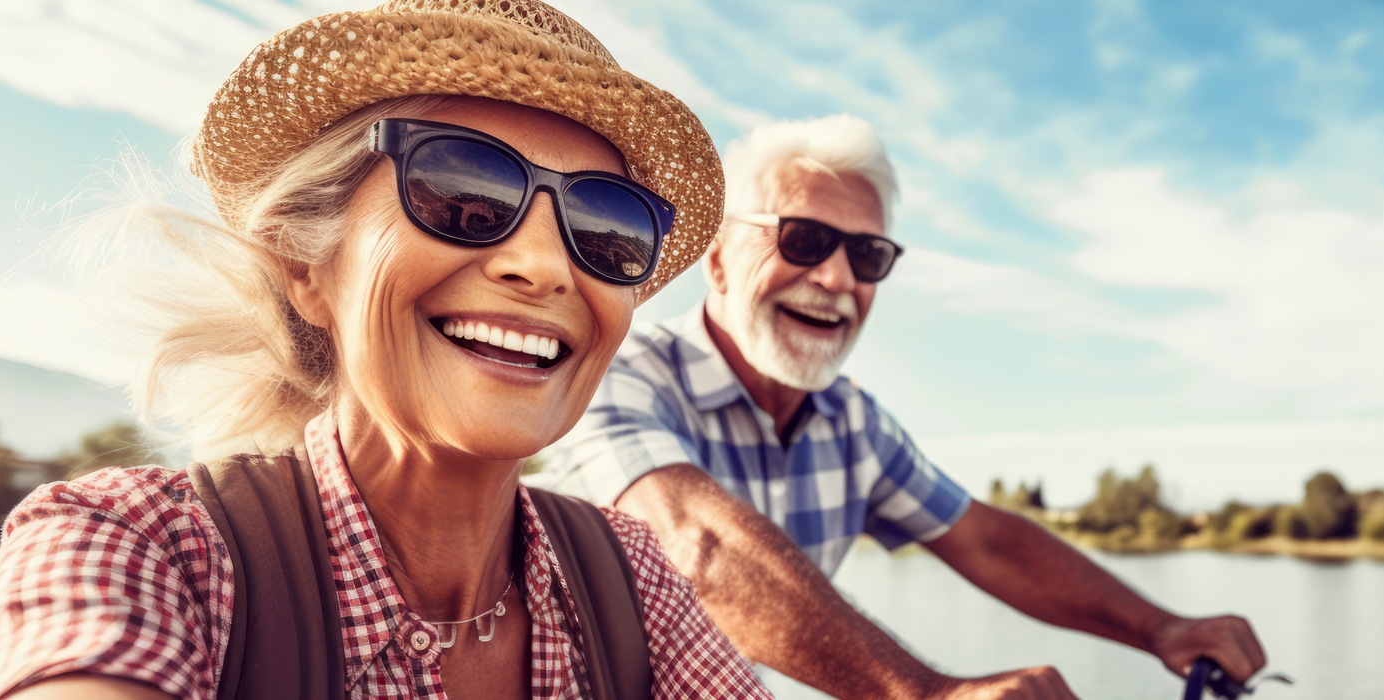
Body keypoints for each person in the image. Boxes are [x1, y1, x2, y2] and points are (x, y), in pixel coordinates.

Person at [0, 1, 769, 698]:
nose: (545, 265)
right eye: (463, 192)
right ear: (305, 265)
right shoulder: (135, 548)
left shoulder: (627, 572)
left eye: (606, 226)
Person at [537, 115, 1270, 699]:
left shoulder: (852, 422)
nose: (834, 277)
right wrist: (924, 694)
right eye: (805, 239)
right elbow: (697, 547)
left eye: (868, 257)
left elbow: (987, 541)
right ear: (721, 258)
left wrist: (1164, 628)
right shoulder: (617, 371)